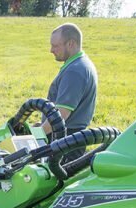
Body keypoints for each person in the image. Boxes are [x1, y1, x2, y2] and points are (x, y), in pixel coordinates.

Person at [39, 23, 98, 159]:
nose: (51, 50)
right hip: (71, 139)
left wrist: (38, 134)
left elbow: (62, 113)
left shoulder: (75, 70)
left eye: (55, 45)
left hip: (65, 142)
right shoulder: (81, 64)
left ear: (70, 43)